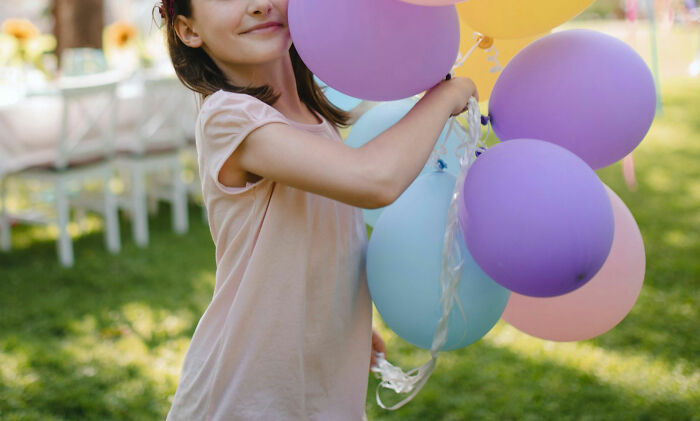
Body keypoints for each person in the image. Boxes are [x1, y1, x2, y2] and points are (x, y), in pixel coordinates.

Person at [158, 0, 478, 419]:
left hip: (320, 386)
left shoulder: (311, 119)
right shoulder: (229, 117)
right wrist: (444, 96)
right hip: (245, 395)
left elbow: (316, 240)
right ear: (188, 30)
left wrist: (341, 321)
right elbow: (374, 180)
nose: (258, 5)